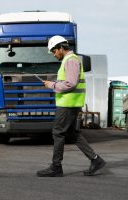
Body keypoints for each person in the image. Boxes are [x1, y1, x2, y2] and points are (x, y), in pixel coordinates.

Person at [36, 35, 106, 177]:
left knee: (58, 132)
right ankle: (95, 160)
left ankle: (56, 167)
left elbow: (71, 83)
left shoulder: (71, 60)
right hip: (71, 103)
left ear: (61, 48)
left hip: (68, 104)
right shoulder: (70, 60)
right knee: (71, 134)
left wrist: (52, 85)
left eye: (54, 51)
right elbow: (69, 81)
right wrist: (54, 83)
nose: (54, 54)